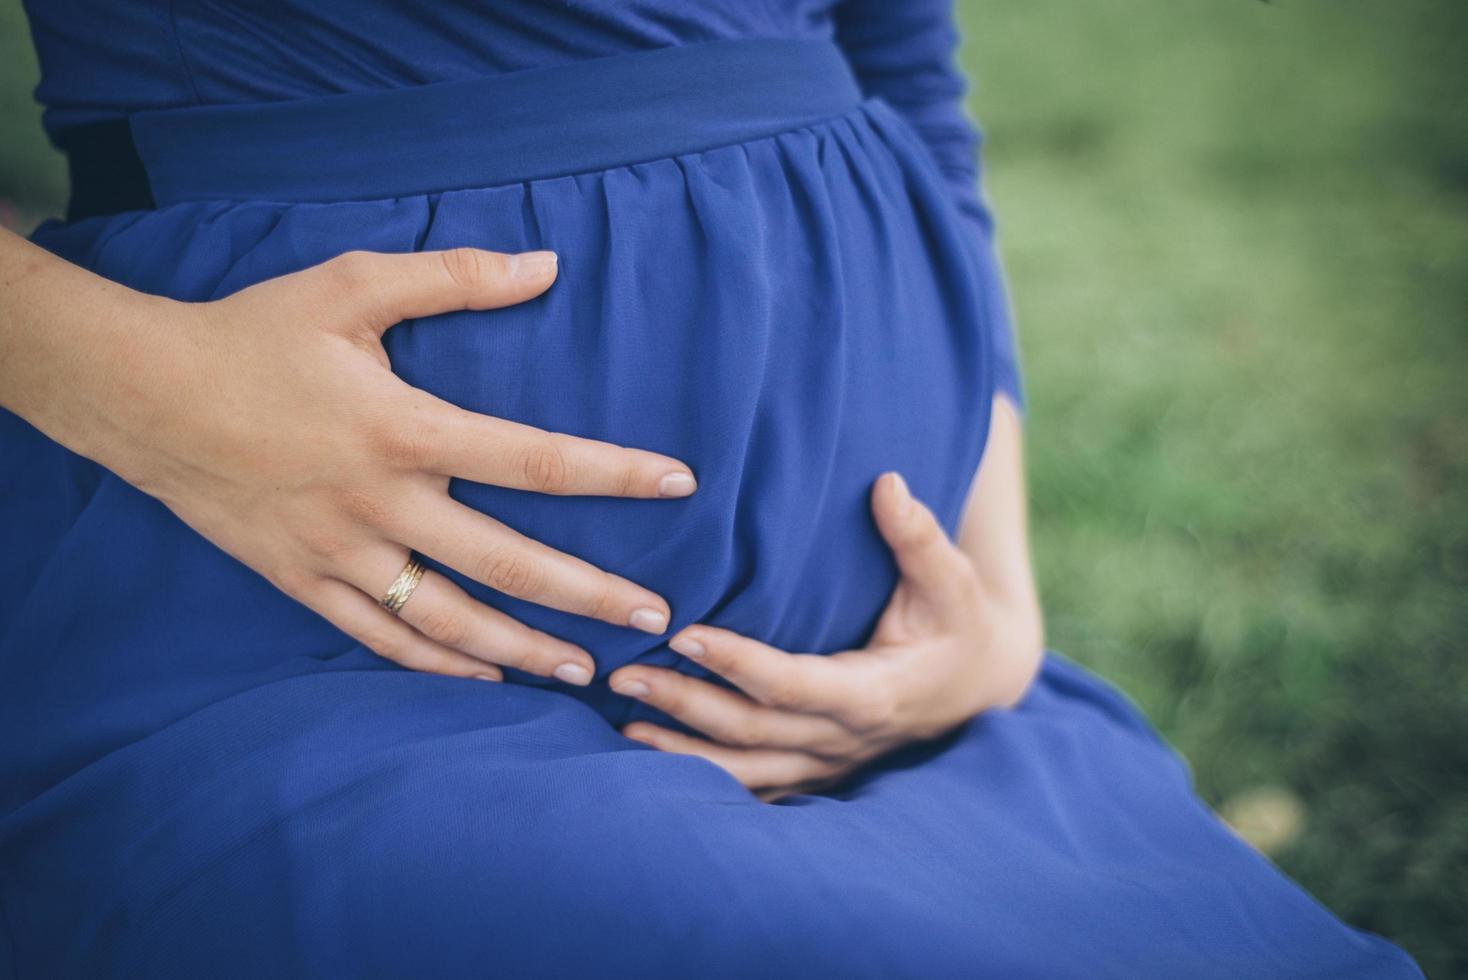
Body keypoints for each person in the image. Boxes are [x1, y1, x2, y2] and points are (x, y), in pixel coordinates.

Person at [0, 1, 1421, 976]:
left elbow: (898, 65)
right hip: (305, 639)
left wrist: (999, 611)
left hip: (869, 701)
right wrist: (138, 380)